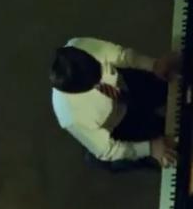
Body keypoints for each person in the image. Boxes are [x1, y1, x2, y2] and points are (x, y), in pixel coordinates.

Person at [49, 37, 179, 171]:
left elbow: (122, 56)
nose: (101, 77)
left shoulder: (79, 45)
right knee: (172, 149)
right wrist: (150, 148)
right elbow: (107, 150)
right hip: (119, 127)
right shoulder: (71, 117)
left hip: (126, 83)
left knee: (177, 80)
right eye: (94, 80)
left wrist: (154, 65)